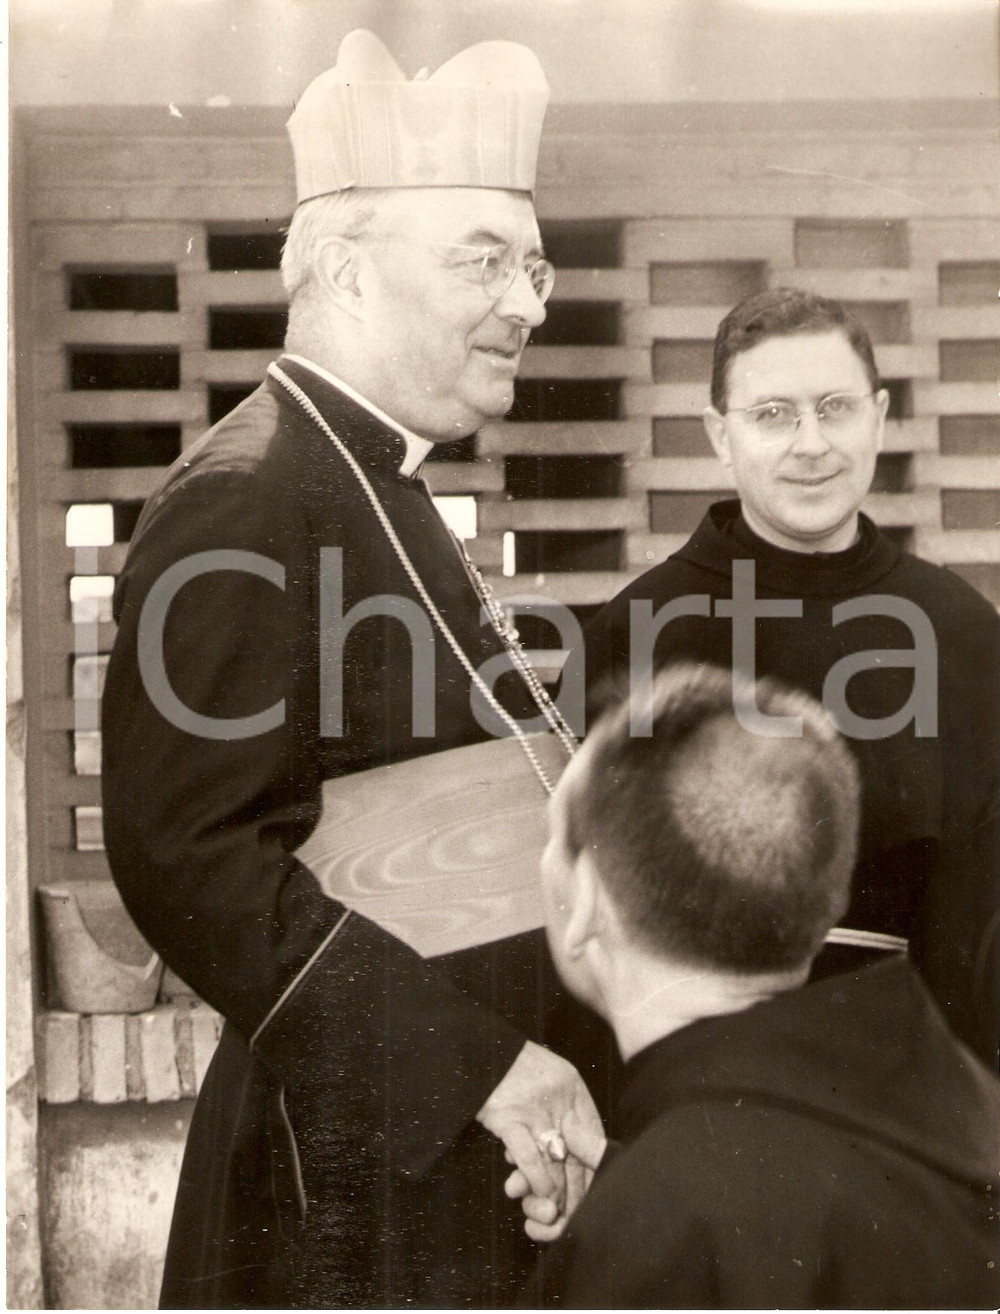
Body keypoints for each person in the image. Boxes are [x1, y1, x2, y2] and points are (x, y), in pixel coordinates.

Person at [101, 30, 610, 1309]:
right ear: (343, 267)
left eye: (534, 263)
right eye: (482, 259)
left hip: (440, 1157)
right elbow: (189, 860)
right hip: (350, 1172)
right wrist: (483, 1068)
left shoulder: (366, 478)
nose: (529, 302)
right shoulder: (246, 494)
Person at [580, 287, 1000, 1067]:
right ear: (719, 434)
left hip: (918, 1086)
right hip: (699, 1086)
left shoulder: (965, 633)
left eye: (835, 408)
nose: (812, 444)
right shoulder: (636, 633)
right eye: (773, 415)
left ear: (878, 418)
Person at [517, 663, 1000, 1308]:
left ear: (585, 900)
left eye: (555, 836)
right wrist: (632, 1186)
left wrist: (638, 1227)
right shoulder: (954, 1103)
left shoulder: (674, 1219)